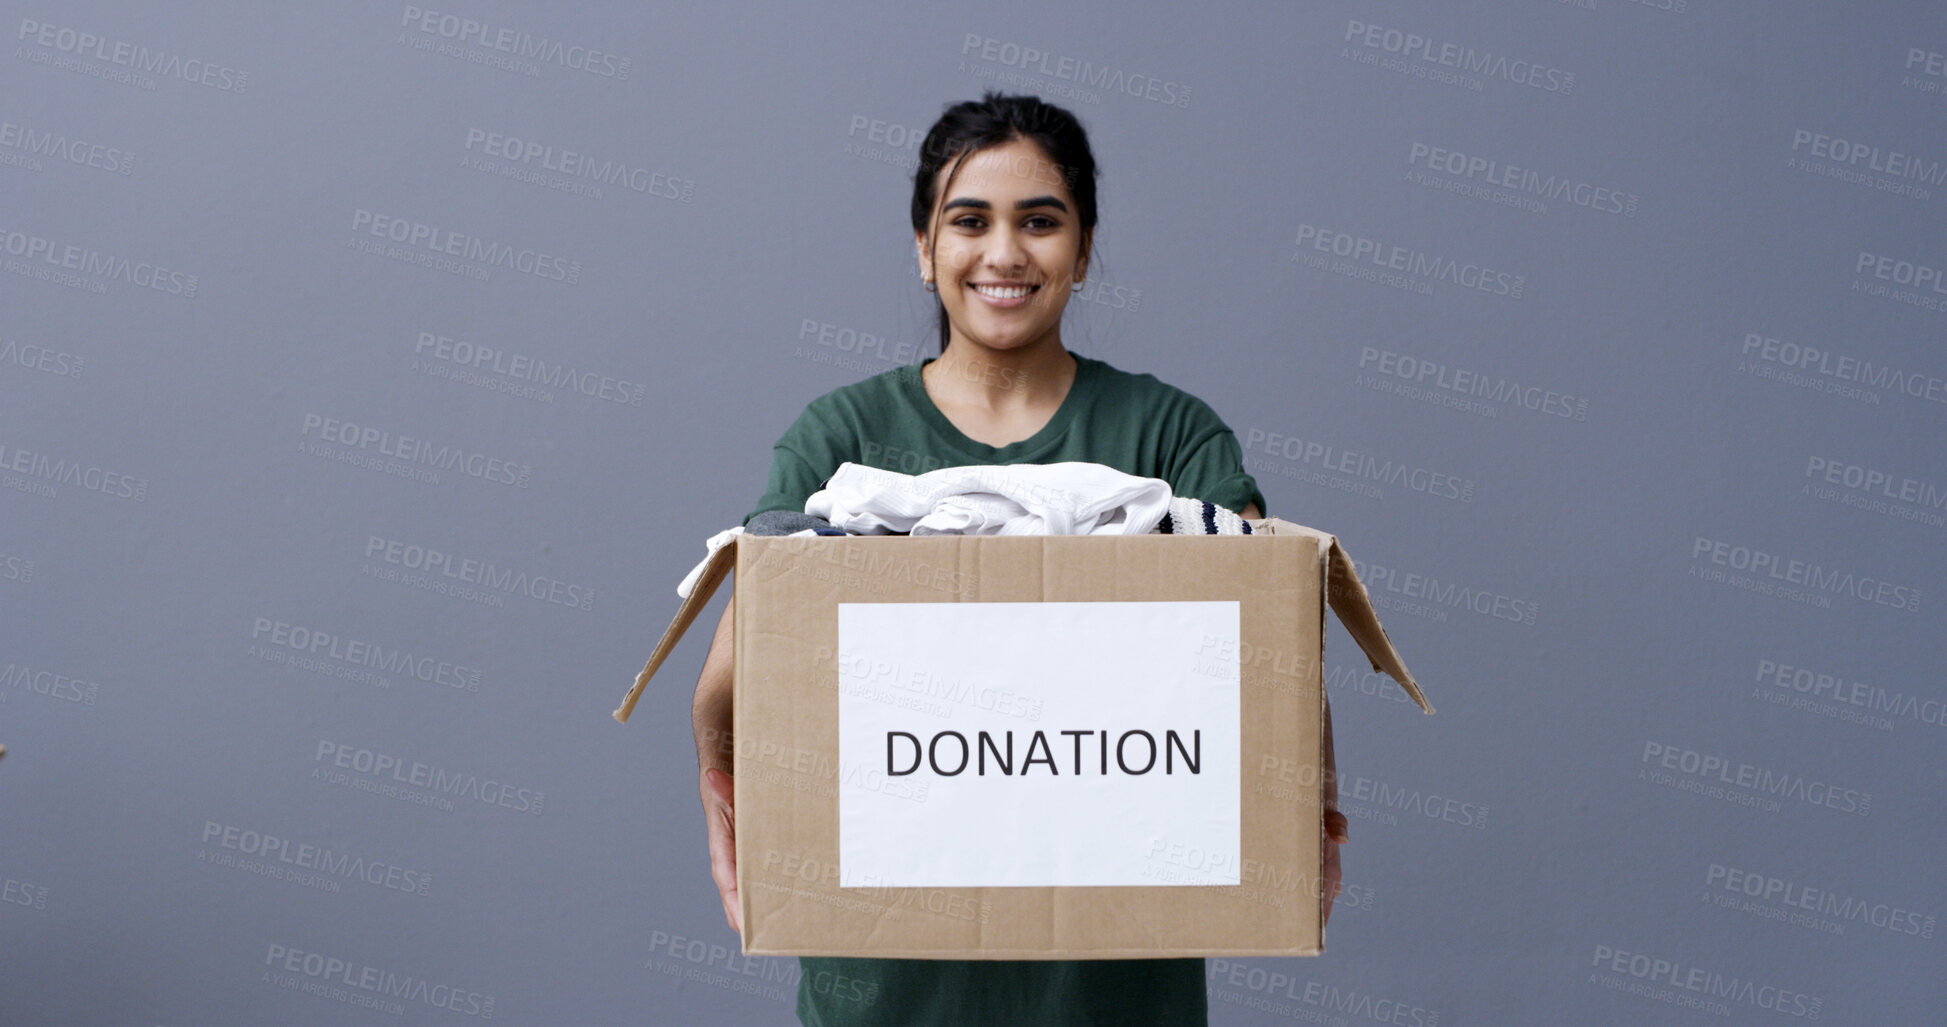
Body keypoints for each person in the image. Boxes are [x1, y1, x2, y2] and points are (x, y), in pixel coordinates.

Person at [691, 91, 1347, 1026]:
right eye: (969, 221)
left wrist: (1309, 807)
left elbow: (1270, 644)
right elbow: (731, 677)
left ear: (1082, 251)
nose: (1004, 253)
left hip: (1112, 989)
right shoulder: (844, 438)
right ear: (923, 248)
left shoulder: (1166, 434)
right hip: (887, 988)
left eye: (1039, 222)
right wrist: (722, 795)